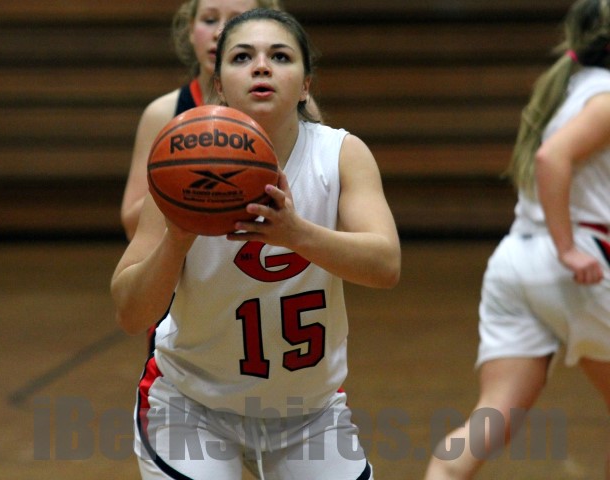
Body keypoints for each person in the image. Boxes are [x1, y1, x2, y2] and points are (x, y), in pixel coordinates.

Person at [111, 8, 400, 480]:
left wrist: (296, 233)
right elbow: (129, 313)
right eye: (242, 57)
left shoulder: (340, 155)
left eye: (280, 56)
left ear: (305, 84)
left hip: (309, 413)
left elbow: (386, 265)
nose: (261, 66)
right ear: (219, 85)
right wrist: (176, 241)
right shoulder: (179, 164)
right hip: (192, 406)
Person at [425, 0, 610, 478]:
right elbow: (552, 159)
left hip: (516, 260)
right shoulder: (606, 96)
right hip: (577, 262)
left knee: (491, 419)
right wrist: (567, 248)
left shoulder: (570, 88)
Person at [120, 0, 320, 241]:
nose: (219, 32)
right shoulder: (164, 112)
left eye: (236, 19)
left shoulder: (295, 108)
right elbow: (132, 226)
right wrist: (197, 188)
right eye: (210, 20)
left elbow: (316, 192)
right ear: (191, 30)